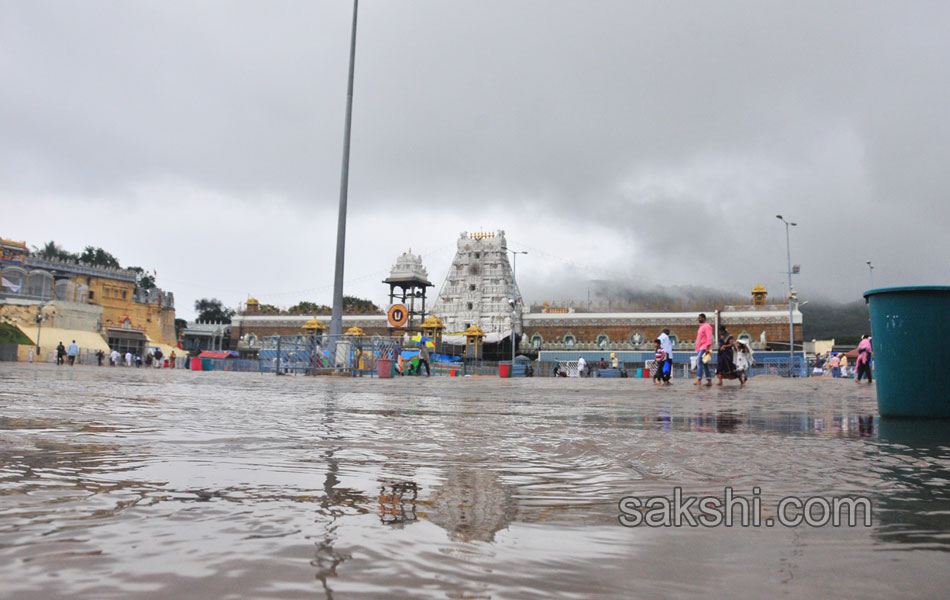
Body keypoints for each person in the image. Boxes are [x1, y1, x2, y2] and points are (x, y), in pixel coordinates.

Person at [694, 314, 713, 386]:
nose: (699, 319)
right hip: (701, 347)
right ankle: (709, 380)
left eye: (700, 318)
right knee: (705, 364)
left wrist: (708, 347)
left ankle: (699, 379)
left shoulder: (706, 326)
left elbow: (709, 337)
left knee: (699, 362)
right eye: (698, 318)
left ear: (704, 318)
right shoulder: (701, 327)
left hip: (704, 347)